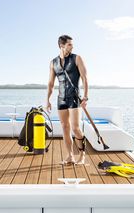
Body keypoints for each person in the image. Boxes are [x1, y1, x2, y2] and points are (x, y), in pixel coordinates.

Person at [46, 35, 89, 165]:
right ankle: (70, 156)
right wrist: (47, 100)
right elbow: (50, 83)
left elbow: (85, 78)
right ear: (62, 46)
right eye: (70, 44)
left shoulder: (77, 58)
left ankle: (82, 155)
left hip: (74, 98)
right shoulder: (53, 62)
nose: (72, 46)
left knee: (75, 128)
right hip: (61, 99)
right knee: (65, 127)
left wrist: (85, 97)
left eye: (72, 44)